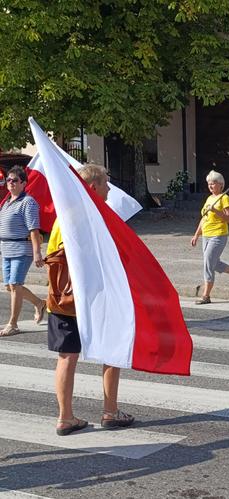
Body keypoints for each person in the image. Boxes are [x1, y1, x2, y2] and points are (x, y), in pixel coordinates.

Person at [47, 163, 134, 436]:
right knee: (113, 349)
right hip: (94, 298)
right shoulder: (92, 217)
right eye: (106, 182)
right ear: (93, 187)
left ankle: (65, 417)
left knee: (67, 357)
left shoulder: (64, 215)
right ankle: (110, 411)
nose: (109, 187)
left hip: (63, 300)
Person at [0, 165, 45, 337]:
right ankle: (39, 303)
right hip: (6, 249)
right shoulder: (6, 202)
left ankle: (13, 324)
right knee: (10, 287)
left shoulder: (28, 202)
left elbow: (34, 229)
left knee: (16, 285)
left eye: (14, 180)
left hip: (21, 249)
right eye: (8, 180)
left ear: (23, 183)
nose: (10, 183)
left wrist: (37, 252)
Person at [191, 170, 229, 304]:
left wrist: (215, 210)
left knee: (208, 263)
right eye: (209, 183)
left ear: (221, 184)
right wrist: (196, 235)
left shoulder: (225, 198)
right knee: (214, 263)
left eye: (213, 183)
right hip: (206, 235)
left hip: (218, 234)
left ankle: (206, 296)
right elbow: (203, 219)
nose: (210, 186)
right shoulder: (209, 198)